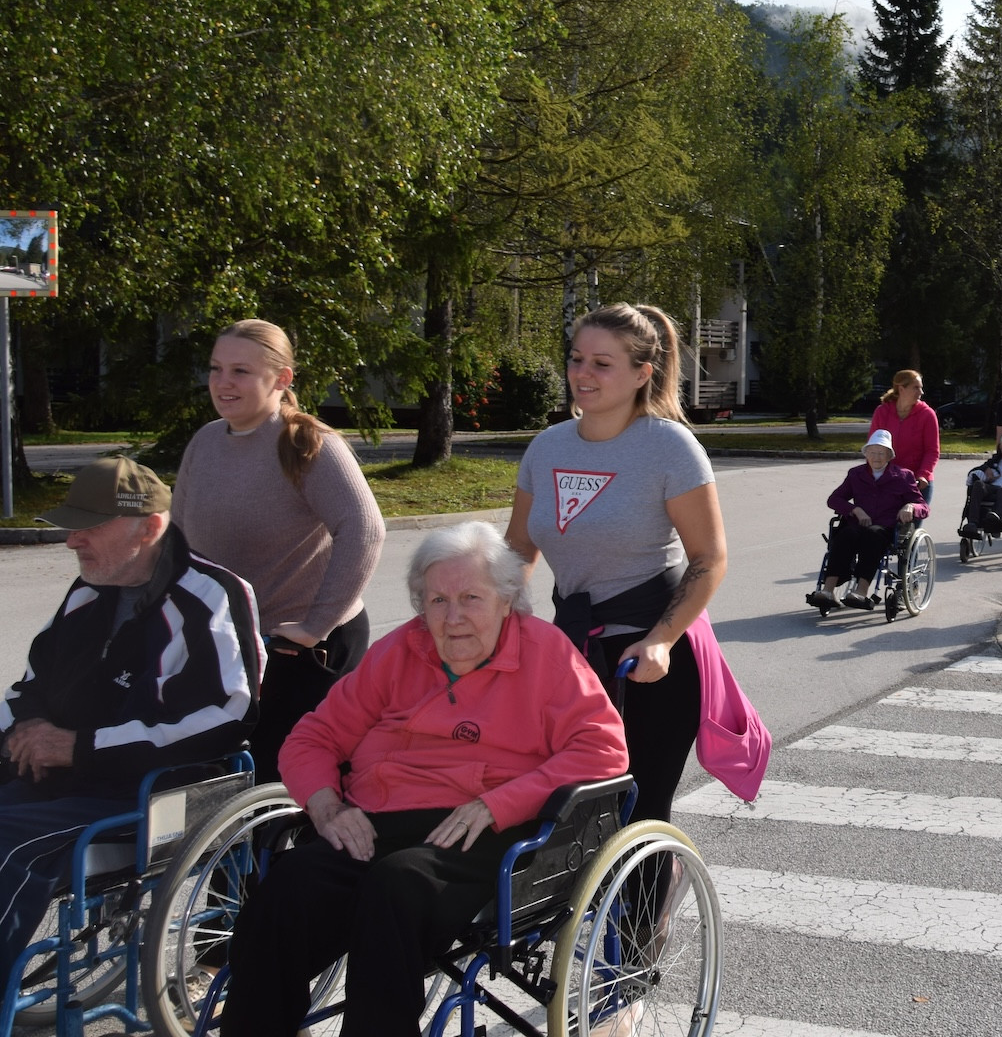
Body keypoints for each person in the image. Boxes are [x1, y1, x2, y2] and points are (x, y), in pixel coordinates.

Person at [221, 523, 626, 1037]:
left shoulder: (546, 654)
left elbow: (603, 749)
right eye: (437, 600)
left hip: (484, 831)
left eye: (470, 598)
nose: (453, 617)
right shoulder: (399, 651)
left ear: (507, 601)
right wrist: (327, 808)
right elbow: (313, 738)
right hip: (373, 821)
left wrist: (500, 803)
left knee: (396, 890)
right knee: (285, 891)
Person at [0, 458, 262, 972]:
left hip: (148, 790)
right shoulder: (88, 590)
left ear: (151, 527)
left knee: (10, 840)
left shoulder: (208, 595)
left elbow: (230, 715)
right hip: (68, 775)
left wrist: (81, 746)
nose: (73, 541)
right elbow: (31, 683)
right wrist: (28, 728)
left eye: (89, 527)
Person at [506, 303, 726, 835]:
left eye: (602, 364)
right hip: (573, 652)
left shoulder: (669, 447)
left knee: (638, 810)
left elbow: (709, 558)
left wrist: (661, 641)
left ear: (641, 374)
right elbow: (515, 550)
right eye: (577, 359)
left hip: (651, 659)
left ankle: (649, 913)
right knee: (565, 807)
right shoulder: (547, 446)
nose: (583, 373)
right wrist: (495, 622)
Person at [173, 319, 384, 782]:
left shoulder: (308, 444)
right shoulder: (205, 442)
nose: (224, 383)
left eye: (241, 371)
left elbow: (364, 530)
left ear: (282, 378)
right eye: (216, 369)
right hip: (230, 646)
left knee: (287, 780)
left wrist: (316, 624)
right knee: (221, 774)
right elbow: (178, 541)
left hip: (304, 649)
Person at [811, 430, 929, 610]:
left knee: (873, 536)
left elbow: (923, 507)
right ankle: (827, 591)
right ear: (866, 453)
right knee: (845, 535)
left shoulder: (904, 476)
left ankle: (861, 592)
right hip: (858, 524)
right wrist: (854, 509)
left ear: (889, 456)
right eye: (872, 452)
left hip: (885, 529)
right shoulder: (856, 474)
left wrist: (911, 507)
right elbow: (834, 499)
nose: (876, 457)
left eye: (881, 453)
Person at [868, 369, 940, 504]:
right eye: (916, 388)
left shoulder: (927, 415)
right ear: (901, 389)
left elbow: (932, 451)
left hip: (917, 483)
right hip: (887, 481)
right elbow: (872, 447)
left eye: (921, 388)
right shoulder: (882, 412)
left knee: (911, 524)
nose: (921, 392)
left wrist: (923, 474)